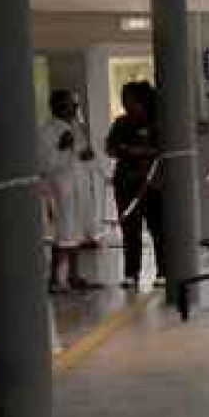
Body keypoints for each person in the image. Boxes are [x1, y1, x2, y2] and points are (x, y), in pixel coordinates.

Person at [37, 91, 103, 292]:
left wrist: (89, 157)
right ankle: (55, 279)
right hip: (61, 189)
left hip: (79, 186)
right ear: (56, 107)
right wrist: (61, 147)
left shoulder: (76, 128)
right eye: (70, 105)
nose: (75, 109)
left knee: (77, 233)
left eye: (75, 105)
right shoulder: (46, 132)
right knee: (63, 233)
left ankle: (74, 276)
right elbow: (44, 164)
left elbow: (85, 157)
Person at [105, 80, 165, 290]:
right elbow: (111, 148)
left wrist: (136, 151)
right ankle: (131, 273)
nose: (125, 102)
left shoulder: (157, 123)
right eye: (123, 98)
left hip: (152, 184)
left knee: (158, 229)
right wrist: (132, 151)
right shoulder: (121, 123)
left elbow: (162, 150)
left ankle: (163, 271)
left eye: (129, 98)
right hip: (125, 184)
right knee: (130, 230)